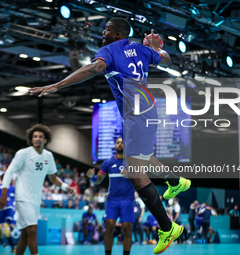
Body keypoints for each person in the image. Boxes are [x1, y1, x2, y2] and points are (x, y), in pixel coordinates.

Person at [30, 17, 191, 254]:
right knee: (142, 160)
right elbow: (166, 59)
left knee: (136, 176)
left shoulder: (109, 50)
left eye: (107, 29)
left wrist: (58, 85)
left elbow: (95, 68)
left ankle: (168, 228)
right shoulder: (140, 49)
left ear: (117, 35)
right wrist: (156, 48)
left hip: (136, 116)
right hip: (148, 111)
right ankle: (176, 181)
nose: (103, 31)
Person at [0, 124, 74, 255]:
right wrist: (4, 194)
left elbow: (53, 178)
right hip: (22, 197)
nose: (38, 139)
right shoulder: (23, 153)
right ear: (31, 139)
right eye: (35, 137)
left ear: (46, 140)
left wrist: (65, 187)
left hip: (35, 200)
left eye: (41, 137)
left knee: (25, 234)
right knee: (32, 230)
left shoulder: (48, 156)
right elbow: (9, 172)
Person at [87, 137, 134, 255]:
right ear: (115, 146)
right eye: (117, 142)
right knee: (109, 226)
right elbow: (98, 180)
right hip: (112, 200)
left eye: (122, 143)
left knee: (127, 228)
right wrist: (92, 177)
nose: (120, 144)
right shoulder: (108, 163)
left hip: (127, 200)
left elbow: (140, 179)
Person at [0, 175, 16, 252]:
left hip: (1, 208)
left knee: (6, 226)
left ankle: (12, 246)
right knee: (8, 226)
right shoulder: (12, 187)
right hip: (8, 208)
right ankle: (12, 245)